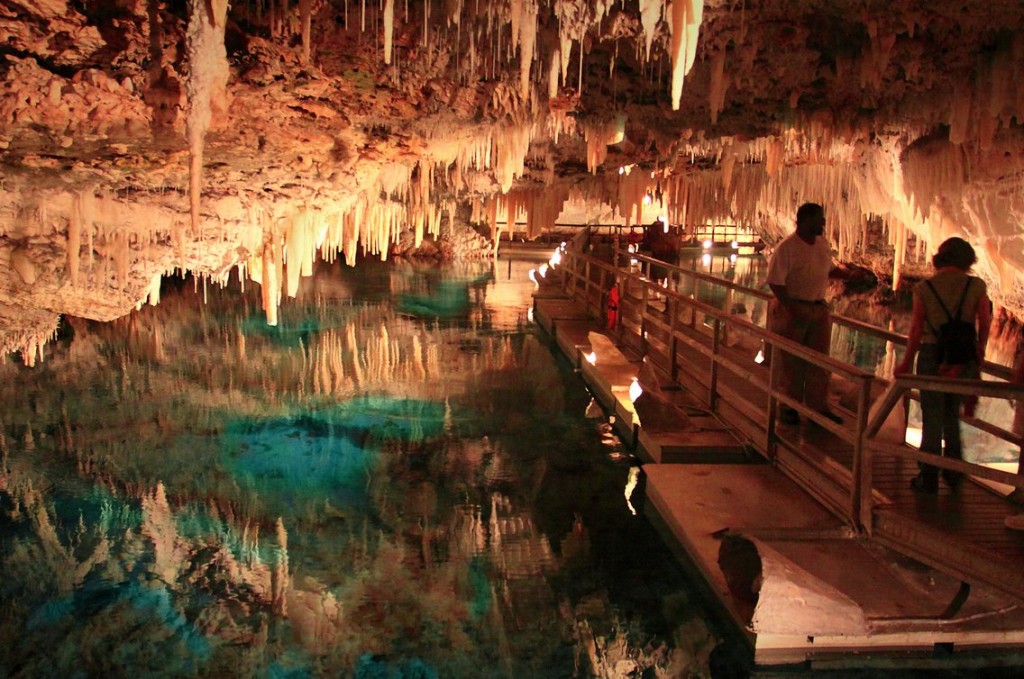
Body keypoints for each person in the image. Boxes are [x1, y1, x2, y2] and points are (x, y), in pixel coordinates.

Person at [894, 237, 991, 494]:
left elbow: (916, 329)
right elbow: (984, 320)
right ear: (967, 260)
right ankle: (954, 472)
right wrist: (979, 350)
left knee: (932, 416)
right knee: (952, 415)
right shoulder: (976, 285)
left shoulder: (925, 288)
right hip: (963, 356)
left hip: (931, 354)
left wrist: (906, 361)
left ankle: (928, 476)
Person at [765, 202, 842, 425]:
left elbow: (825, 269)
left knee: (820, 361)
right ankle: (788, 405)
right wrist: (790, 307)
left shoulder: (822, 245)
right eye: (820, 219)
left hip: (818, 308)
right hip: (793, 307)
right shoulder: (787, 248)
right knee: (792, 361)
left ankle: (818, 406)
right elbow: (775, 281)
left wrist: (845, 276)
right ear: (805, 220)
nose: (823, 224)